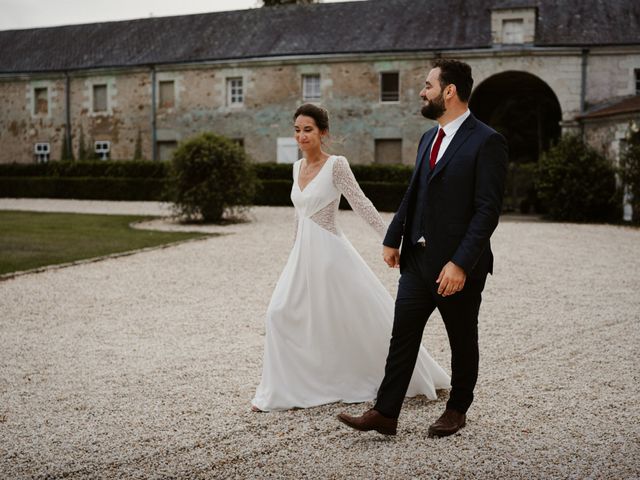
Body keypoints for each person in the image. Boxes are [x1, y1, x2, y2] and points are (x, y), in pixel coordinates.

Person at [337, 59, 508, 437]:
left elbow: (487, 211)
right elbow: (415, 192)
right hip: (416, 259)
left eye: (428, 85)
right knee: (402, 336)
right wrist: (392, 237)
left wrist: (461, 263)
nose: (421, 91)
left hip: (456, 267)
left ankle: (457, 409)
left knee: (462, 339)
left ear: (449, 91)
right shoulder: (428, 138)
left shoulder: (487, 141)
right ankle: (385, 412)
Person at [251, 103, 450, 414]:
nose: (301, 136)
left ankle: (387, 375)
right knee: (278, 313)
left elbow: (362, 204)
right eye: (297, 130)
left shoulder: (336, 165)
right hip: (302, 256)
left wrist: (393, 239)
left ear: (323, 133)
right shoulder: (295, 168)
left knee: (350, 318)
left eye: (308, 130)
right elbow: (298, 216)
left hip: (331, 255)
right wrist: (293, 253)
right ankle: (287, 387)